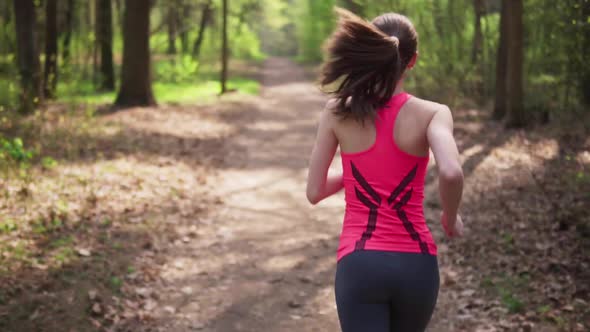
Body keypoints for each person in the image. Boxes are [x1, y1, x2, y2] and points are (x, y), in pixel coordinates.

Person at [305, 8, 465, 332]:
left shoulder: (338, 110)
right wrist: (450, 216)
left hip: (360, 262)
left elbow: (315, 191)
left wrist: (351, 177)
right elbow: (451, 172)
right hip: (416, 263)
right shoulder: (433, 113)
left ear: (369, 52)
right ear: (413, 59)